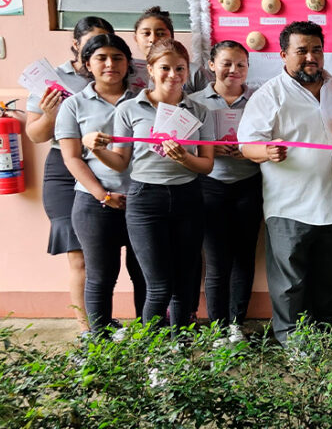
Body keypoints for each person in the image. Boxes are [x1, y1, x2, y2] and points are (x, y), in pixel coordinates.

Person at [83, 39, 215, 328]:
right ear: (151, 70)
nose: (173, 74)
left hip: (188, 196)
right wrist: (96, 148)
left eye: (180, 68)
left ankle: (179, 348)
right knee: (158, 286)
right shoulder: (129, 109)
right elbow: (120, 162)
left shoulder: (200, 111)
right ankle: (152, 354)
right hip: (145, 199)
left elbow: (207, 165)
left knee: (184, 285)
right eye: (165, 67)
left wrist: (183, 159)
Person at [238, 21, 332, 344]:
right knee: (290, 279)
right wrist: (266, 151)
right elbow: (247, 145)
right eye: (301, 51)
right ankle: (292, 337)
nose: (310, 57)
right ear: (283, 54)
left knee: (331, 274)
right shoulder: (269, 94)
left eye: (316, 50)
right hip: (289, 203)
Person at [23, 17, 111, 334]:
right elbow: (35, 134)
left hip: (106, 164)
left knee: (109, 256)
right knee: (79, 258)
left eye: (103, 42)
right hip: (63, 166)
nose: (97, 50)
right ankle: (87, 329)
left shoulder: (117, 72)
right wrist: (49, 115)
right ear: (75, 45)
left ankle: (106, 321)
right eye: (89, 43)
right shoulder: (53, 79)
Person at [54, 33, 140, 335]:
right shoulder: (73, 106)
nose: (110, 64)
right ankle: (99, 342)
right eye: (101, 58)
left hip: (141, 201)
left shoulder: (143, 100)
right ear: (87, 64)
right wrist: (103, 195)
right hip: (94, 203)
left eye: (117, 58)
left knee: (143, 274)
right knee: (101, 276)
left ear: (128, 63)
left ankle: (147, 337)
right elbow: (72, 158)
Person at [189, 41, 261, 343]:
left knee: (245, 258)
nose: (234, 70)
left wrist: (248, 151)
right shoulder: (193, 101)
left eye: (241, 64)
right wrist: (212, 150)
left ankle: (236, 324)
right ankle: (218, 326)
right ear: (212, 66)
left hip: (249, 184)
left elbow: (269, 137)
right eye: (227, 63)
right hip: (210, 186)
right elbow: (183, 146)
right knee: (217, 261)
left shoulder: (258, 100)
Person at [132, 6, 210, 94]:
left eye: (161, 34)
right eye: (146, 33)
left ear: (172, 37)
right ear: (136, 38)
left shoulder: (194, 72)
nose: (153, 39)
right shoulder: (130, 72)